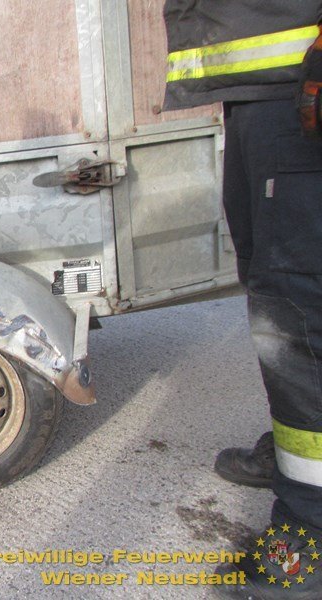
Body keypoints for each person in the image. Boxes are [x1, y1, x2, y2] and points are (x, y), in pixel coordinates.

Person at [163, 2, 322, 598]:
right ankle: (296, 458)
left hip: (300, 86)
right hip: (266, 95)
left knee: (297, 323)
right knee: (275, 294)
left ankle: (311, 538)